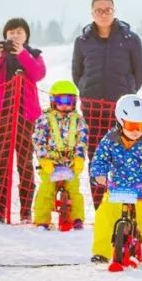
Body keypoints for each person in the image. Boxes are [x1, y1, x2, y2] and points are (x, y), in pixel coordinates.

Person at [72, 0, 142, 209]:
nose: (103, 14)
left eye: (108, 10)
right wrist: (86, 90)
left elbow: (139, 72)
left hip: (121, 110)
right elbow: (77, 73)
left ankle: (123, 206)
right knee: (96, 157)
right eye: (99, 10)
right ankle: (101, 208)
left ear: (114, 11)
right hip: (92, 109)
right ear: (92, 13)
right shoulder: (82, 41)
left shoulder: (130, 39)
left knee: (124, 157)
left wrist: (128, 91)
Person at [0, 17, 46, 224]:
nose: (15, 36)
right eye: (11, 33)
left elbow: (38, 74)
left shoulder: (34, 54)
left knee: (25, 163)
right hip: (1, 115)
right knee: (2, 162)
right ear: (5, 36)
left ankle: (25, 211)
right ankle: (0, 210)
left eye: (19, 32)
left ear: (26, 35)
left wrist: (23, 53)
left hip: (26, 115)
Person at [90, 94, 142, 266]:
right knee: (104, 215)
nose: (136, 131)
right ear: (120, 122)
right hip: (117, 189)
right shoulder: (110, 140)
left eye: (141, 126)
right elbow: (100, 159)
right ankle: (101, 253)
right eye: (132, 126)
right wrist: (99, 174)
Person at [31, 80, 88, 230]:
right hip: (51, 163)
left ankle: (77, 219)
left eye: (68, 101)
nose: (64, 105)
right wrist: (44, 159)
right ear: (53, 101)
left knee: (74, 190)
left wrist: (79, 157)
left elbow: (82, 140)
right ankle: (42, 220)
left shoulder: (79, 120)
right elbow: (38, 140)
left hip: (70, 163)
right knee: (46, 189)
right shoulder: (45, 119)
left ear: (74, 102)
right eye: (60, 101)